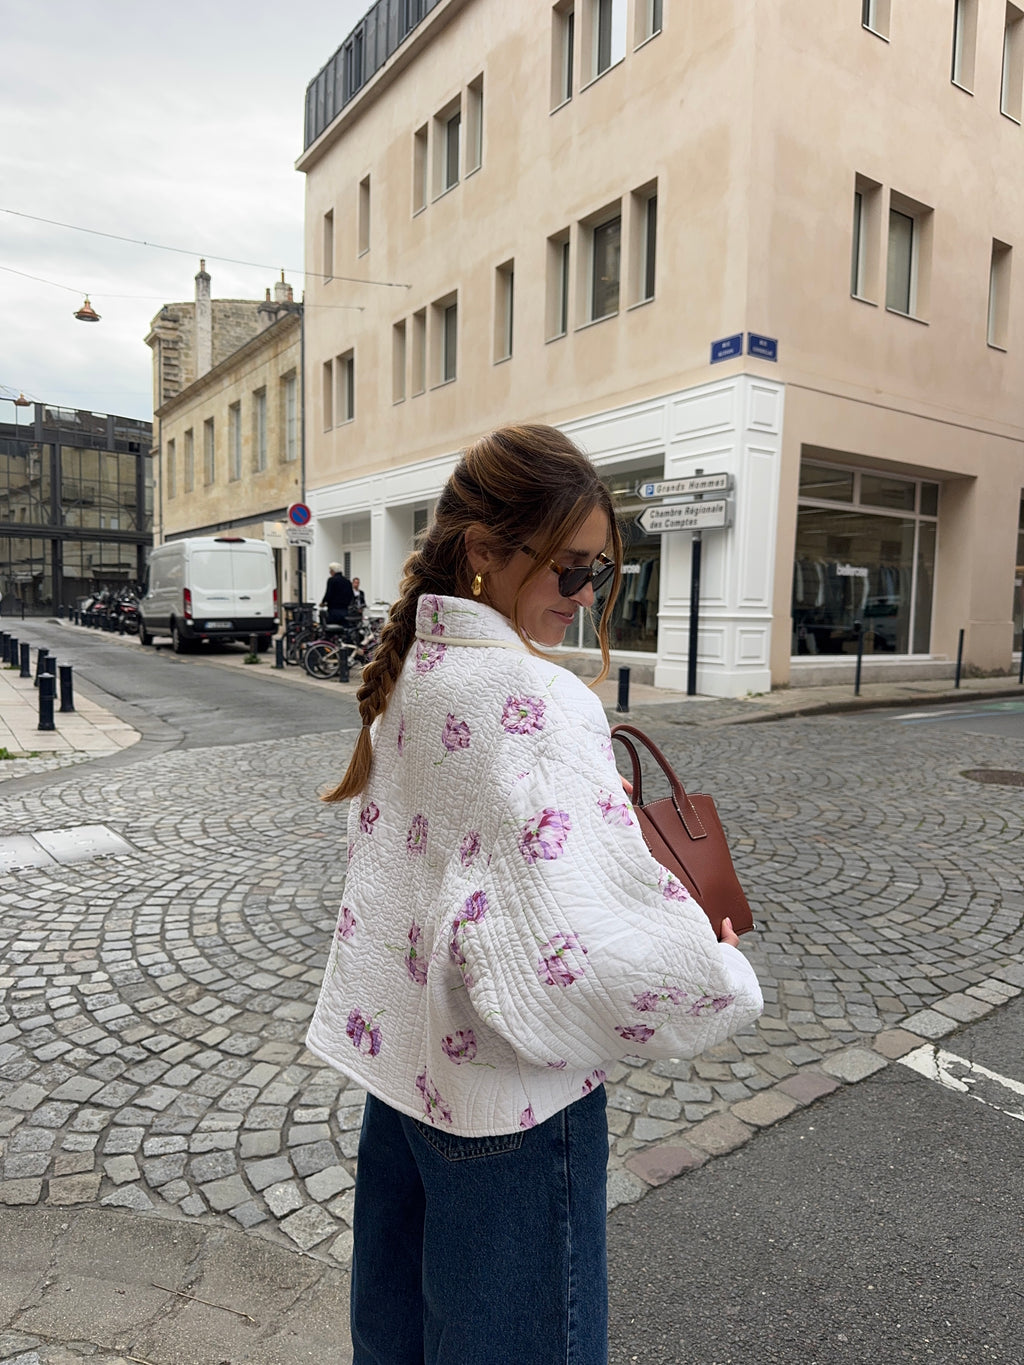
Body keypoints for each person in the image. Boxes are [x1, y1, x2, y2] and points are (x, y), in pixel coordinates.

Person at [306, 423, 763, 1365]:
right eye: (569, 571)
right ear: (484, 552)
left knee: (394, 1346)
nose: (585, 596)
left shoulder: (413, 677)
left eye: (600, 574)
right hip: (511, 1110)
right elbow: (580, 953)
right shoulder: (545, 702)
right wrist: (715, 965)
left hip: (404, 1091)